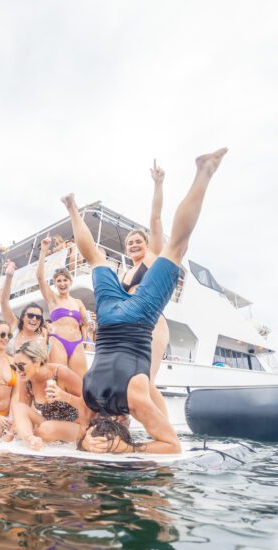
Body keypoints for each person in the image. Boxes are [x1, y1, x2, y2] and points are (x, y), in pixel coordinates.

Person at [62, 148, 228, 454]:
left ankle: (205, 172)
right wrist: (89, 441)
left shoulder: (133, 401)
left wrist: (132, 449)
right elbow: (80, 436)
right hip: (111, 320)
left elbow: (171, 447)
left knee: (174, 246)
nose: (135, 244)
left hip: (136, 319)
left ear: (125, 422)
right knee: (97, 257)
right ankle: (72, 208)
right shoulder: (88, 396)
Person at [120, 160, 169, 414]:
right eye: (130, 243)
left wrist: (158, 184)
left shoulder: (152, 258)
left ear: (146, 244)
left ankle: (167, 432)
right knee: (134, 382)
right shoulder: (124, 271)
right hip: (131, 327)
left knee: (147, 381)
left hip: (153, 325)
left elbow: (156, 219)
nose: (134, 245)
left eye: (139, 241)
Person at [10, 341, 82, 450]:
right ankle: (30, 439)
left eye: (21, 365)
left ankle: (33, 437)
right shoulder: (26, 378)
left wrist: (65, 397)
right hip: (47, 424)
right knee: (18, 407)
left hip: (75, 426)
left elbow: (90, 406)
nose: (18, 371)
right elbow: (22, 411)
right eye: (14, 366)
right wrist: (12, 433)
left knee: (44, 429)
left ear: (38, 362)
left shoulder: (61, 373)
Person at [36, 237, 88, 378]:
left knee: (81, 380)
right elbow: (40, 277)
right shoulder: (52, 299)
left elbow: (86, 322)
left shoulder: (78, 302)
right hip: (58, 342)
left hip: (77, 343)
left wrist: (91, 322)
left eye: (65, 280)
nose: (62, 283)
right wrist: (43, 252)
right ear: (55, 283)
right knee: (59, 379)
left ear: (70, 282)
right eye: (59, 281)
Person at [0, 261, 48, 352]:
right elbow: (4, 302)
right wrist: (9, 277)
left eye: (38, 317)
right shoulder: (14, 325)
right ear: (22, 317)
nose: (34, 319)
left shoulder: (41, 341)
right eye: (30, 315)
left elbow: (41, 365)